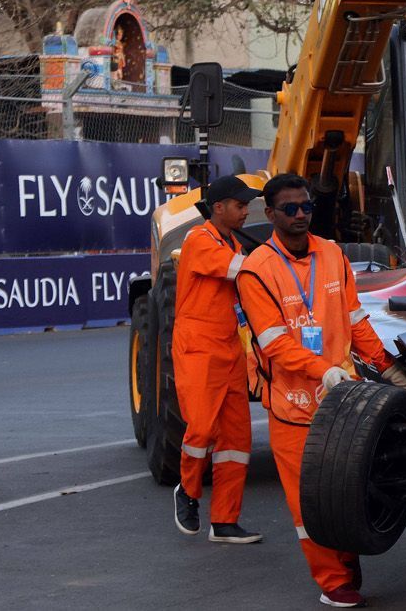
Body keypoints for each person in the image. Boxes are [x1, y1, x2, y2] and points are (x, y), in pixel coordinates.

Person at [236, 174, 406, 609]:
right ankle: (333, 580)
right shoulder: (255, 270)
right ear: (270, 214)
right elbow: (275, 344)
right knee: (309, 503)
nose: (300, 215)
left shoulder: (333, 254)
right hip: (296, 408)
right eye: (290, 209)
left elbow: (355, 321)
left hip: (346, 404)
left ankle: (345, 558)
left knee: (349, 489)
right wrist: (323, 371)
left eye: (306, 207)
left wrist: (388, 368)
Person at [172, 174, 264, 545]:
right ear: (219, 207)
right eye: (240, 206)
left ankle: (225, 520)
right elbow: (243, 273)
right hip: (199, 349)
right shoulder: (200, 239)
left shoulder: (231, 243)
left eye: (247, 206)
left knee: (237, 439)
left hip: (229, 349)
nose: (246, 211)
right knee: (203, 430)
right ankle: (188, 491)